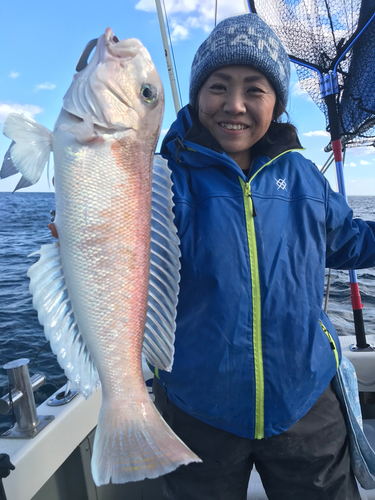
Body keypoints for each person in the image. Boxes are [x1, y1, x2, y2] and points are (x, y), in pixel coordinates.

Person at [146, 13, 375, 500]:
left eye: (255, 89)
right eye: (218, 86)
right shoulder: (166, 179)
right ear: (196, 93)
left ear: (277, 103)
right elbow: (119, 233)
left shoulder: (304, 176)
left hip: (304, 400)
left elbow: (348, 240)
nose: (235, 105)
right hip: (198, 408)